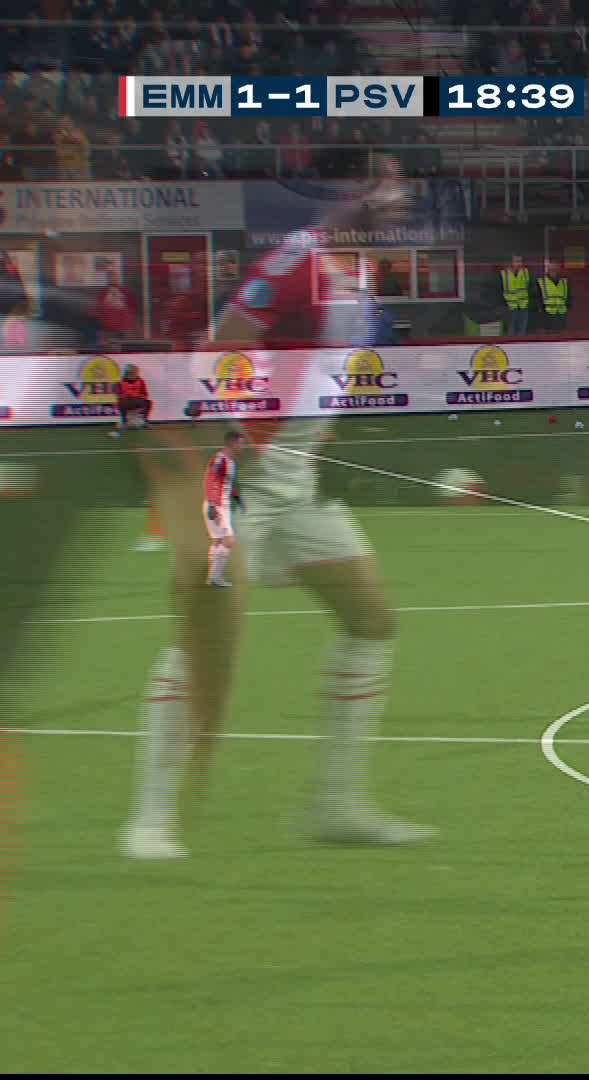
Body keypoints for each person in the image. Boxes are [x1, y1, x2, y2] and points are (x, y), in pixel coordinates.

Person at [122, 151, 432, 861]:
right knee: (200, 639)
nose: (401, 200)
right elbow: (220, 347)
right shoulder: (296, 263)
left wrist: (311, 435)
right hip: (243, 481)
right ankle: (151, 818)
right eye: (388, 185)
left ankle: (335, 807)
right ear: (350, 191)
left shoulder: (360, 270)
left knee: (371, 620)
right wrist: (234, 435)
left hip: (297, 484)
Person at [202, 429, 244, 588]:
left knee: (218, 542)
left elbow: (226, 484)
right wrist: (213, 505)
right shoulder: (220, 460)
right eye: (240, 444)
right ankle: (215, 578)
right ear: (232, 443)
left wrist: (238, 498)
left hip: (221, 505)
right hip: (217, 506)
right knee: (229, 541)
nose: (242, 447)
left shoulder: (232, 462)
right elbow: (210, 480)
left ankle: (212, 578)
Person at [94, 271, 138, 347]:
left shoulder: (125, 292)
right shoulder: (104, 293)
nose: (114, 279)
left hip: (122, 327)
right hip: (108, 328)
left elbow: (132, 308)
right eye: (112, 277)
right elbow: (98, 309)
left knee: (124, 347)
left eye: (116, 277)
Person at [500, 253, 531, 337]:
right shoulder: (504, 274)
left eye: (520, 261)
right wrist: (503, 304)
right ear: (511, 262)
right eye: (516, 261)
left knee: (522, 332)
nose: (519, 263)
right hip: (509, 307)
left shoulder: (526, 272)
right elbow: (499, 290)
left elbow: (530, 288)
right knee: (510, 332)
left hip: (523, 307)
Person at [537, 257, 570, 335]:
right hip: (546, 316)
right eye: (552, 266)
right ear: (548, 268)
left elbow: (568, 297)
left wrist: (567, 308)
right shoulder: (541, 281)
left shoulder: (564, 282)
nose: (554, 269)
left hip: (561, 315)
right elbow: (537, 299)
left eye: (556, 266)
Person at [116, 363, 152, 432]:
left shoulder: (141, 381)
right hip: (127, 401)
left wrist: (141, 397)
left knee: (148, 403)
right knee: (121, 402)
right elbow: (118, 394)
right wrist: (125, 396)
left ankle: (145, 421)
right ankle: (124, 422)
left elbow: (145, 394)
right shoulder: (121, 382)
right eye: (129, 373)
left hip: (137, 400)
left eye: (132, 373)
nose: (131, 375)